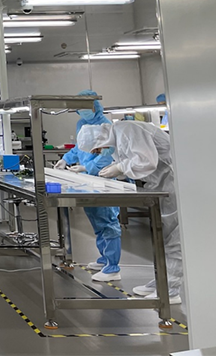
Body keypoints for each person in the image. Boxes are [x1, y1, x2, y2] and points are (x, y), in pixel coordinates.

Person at [77, 121, 183, 304]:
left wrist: (119, 168)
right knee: (163, 237)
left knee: (174, 238)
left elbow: (146, 161)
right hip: (160, 184)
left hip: (174, 181)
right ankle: (161, 282)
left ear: (100, 139)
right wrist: (119, 169)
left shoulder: (126, 129)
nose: (100, 152)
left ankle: (171, 290)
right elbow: (136, 161)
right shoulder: (117, 138)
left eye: (97, 149)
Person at [53, 90, 122, 282]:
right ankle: (104, 258)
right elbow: (79, 147)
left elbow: (107, 154)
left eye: (86, 107)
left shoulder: (105, 125)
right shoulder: (81, 124)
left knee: (107, 221)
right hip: (87, 180)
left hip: (103, 178)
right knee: (96, 220)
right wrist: (66, 159)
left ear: (95, 106)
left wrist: (88, 167)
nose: (82, 111)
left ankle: (113, 267)